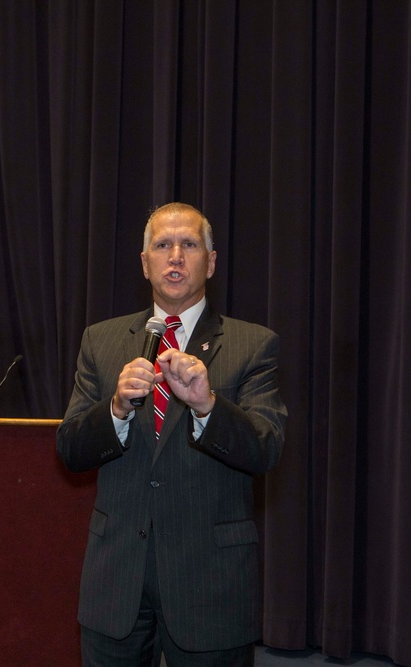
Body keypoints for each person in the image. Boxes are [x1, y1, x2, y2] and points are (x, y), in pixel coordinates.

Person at [57, 202, 286, 666]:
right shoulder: (100, 341)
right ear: (146, 264)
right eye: (162, 245)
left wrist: (207, 405)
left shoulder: (252, 344)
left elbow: (266, 448)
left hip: (210, 579)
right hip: (116, 577)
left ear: (211, 261)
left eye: (189, 244)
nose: (175, 256)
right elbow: (71, 450)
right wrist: (117, 408)